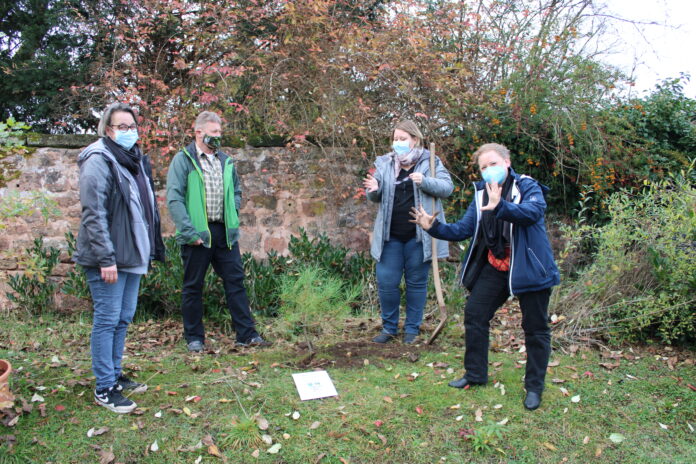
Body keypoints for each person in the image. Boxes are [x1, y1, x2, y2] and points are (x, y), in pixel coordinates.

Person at [411, 142, 560, 410]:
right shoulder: (480, 193)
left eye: (493, 164)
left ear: (507, 162)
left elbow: (532, 213)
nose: (488, 170)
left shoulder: (527, 186)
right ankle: (476, 374)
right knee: (475, 314)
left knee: (535, 329)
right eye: (483, 167)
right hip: (497, 265)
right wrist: (433, 227)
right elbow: (463, 229)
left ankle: (534, 387)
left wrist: (499, 205)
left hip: (529, 267)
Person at [74, 102, 165, 413]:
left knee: (123, 319)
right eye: (121, 127)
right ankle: (104, 388)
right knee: (107, 319)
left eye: (132, 126)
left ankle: (114, 374)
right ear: (108, 129)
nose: (129, 132)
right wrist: (105, 258)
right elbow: (93, 213)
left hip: (131, 253)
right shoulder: (98, 159)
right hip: (109, 257)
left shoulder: (133, 160)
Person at [166, 111, 269, 352]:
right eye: (214, 132)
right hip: (197, 234)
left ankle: (246, 335)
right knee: (193, 286)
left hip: (225, 233)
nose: (218, 136)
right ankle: (194, 339)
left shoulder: (225, 161)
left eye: (219, 132)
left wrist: (233, 210)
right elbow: (174, 199)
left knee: (236, 283)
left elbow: (237, 190)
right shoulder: (183, 160)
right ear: (198, 132)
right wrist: (189, 232)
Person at [362, 120, 454, 344]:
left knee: (416, 283)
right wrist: (374, 191)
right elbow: (374, 195)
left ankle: (412, 329)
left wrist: (425, 181)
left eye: (403, 139)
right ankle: (389, 328)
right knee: (387, 282)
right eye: (395, 139)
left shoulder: (430, 162)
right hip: (390, 235)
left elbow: (447, 188)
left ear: (415, 140)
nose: (398, 143)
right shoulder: (384, 163)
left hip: (419, 236)